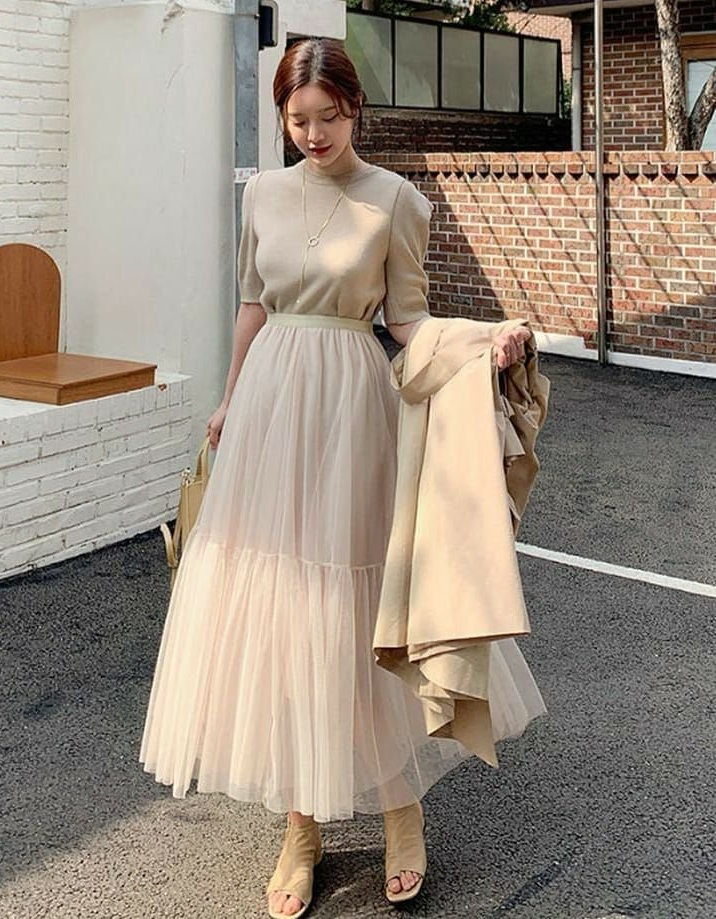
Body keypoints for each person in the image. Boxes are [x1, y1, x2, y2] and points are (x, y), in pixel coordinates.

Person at [139, 37, 543, 919]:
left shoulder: (395, 199)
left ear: (355, 108)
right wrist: (229, 399)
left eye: (328, 117)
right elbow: (253, 304)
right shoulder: (263, 195)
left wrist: (484, 342)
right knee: (284, 611)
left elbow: (407, 320)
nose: (314, 134)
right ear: (281, 118)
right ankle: (302, 827)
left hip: (355, 411)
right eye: (297, 120)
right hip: (271, 411)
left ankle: (401, 810)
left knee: (362, 610)